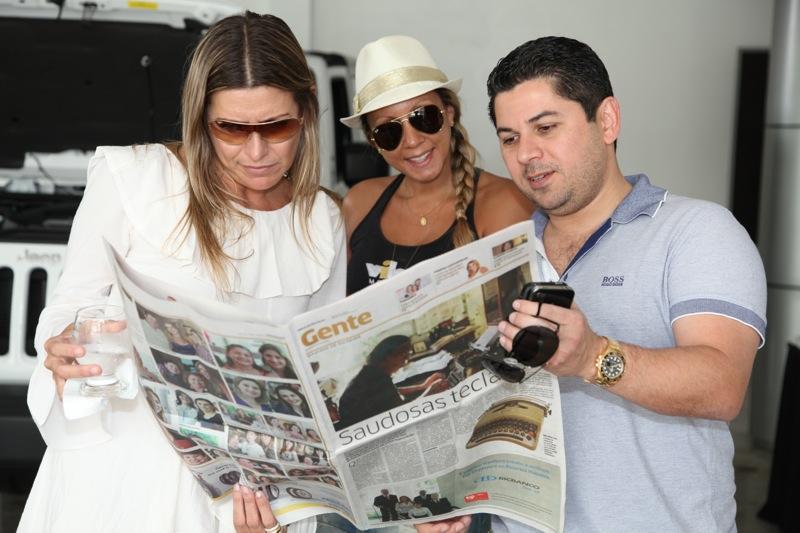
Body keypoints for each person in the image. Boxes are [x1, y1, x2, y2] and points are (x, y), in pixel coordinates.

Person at [20, 11, 346, 533]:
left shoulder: (321, 220)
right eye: (231, 128)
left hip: (244, 500)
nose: (257, 152)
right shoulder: (136, 178)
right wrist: (64, 351)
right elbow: (70, 305)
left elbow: (319, 377)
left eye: (277, 127)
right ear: (201, 118)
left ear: (306, 113)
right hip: (123, 478)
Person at [476, 36, 765, 533]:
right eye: (509, 138)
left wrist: (592, 357)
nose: (526, 154)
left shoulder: (696, 230)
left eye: (545, 127)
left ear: (607, 120)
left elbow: (723, 385)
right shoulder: (502, 256)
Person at [342, 35, 533, 295]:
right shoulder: (359, 203)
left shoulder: (505, 202)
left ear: (449, 114)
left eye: (424, 117)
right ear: (374, 143)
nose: (412, 141)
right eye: (388, 132)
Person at [335, 335, 449, 430]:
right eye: (404, 356)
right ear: (387, 357)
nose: (406, 361)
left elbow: (391, 391)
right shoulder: (378, 378)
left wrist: (422, 386)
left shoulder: (371, 371)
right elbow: (402, 413)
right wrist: (431, 392)